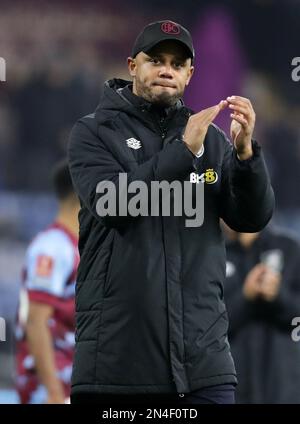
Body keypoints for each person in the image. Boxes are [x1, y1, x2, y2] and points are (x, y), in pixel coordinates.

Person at [68, 20, 274, 404]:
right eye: (156, 60)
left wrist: (246, 157)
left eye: (178, 64)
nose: (167, 70)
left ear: (190, 74)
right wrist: (183, 153)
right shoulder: (94, 132)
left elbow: (251, 218)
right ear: (132, 66)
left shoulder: (210, 140)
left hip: (204, 368)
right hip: (116, 369)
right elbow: (113, 204)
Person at [15, 161, 80, 404]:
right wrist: (53, 391)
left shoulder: (74, 246)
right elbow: (35, 321)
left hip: (71, 379)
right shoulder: (53, 248)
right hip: (51, 386)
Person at [223, 225, 300, 404]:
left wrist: (278, 295)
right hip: (236, 386)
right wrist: (245, 297)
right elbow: (206, 326)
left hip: (283, 386)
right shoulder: (214, 255)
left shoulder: (288, 248)